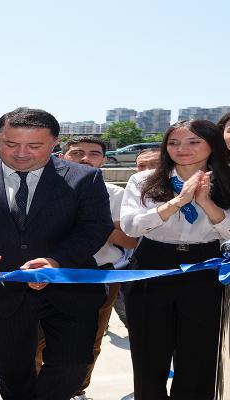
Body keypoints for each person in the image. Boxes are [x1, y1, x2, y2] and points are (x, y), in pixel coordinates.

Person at [0, 108, 113, 400]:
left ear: (55, 142)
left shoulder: (85, 179)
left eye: (35, 146)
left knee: (71, 367)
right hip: (1, 294)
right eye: (11, 144)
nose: (21, 153)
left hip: (68, 289)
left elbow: (95, 228)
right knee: (13, 374)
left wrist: (55, 261)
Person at [120, 119, 230, 399]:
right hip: (152, 264)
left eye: (193, 142)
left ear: (212, 144)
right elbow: (131, 226)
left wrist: (206, 202)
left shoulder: (226, 179)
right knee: (148, 354)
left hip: (205, 265)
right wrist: (177, 201)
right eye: (173, 142)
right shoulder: (143, 180)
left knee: (199, 355)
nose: (182, 149)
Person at [33, 137, 137, 400]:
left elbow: (129, 241)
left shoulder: (117, 195)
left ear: (104, 160)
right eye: (77, 152)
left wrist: (97, 223)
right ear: (62, 156)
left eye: (94, 154)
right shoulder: (42, 190)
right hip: (47, 274)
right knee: (35, 340)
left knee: (90, 340)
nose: (85, 159)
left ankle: (76, 390)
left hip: (99, 276)